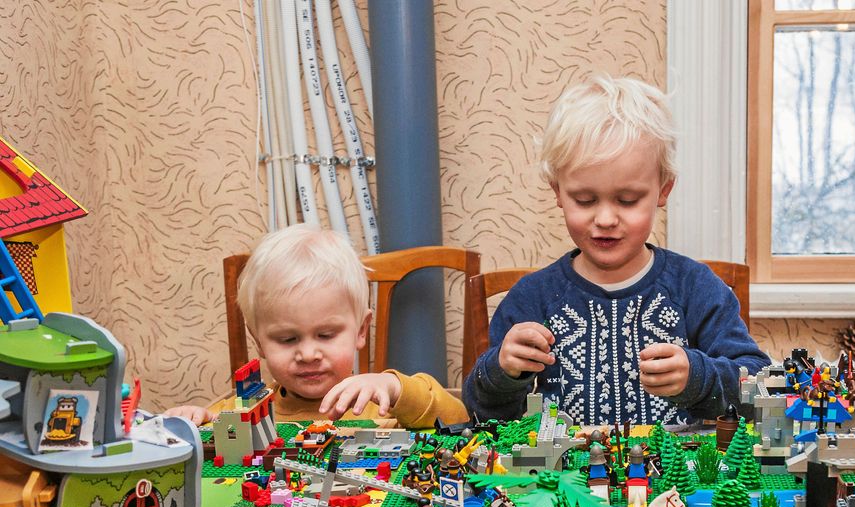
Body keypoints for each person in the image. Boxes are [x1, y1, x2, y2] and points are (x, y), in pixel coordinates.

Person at [462, 75, 769, 426]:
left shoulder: (695, 287)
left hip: (670, 463)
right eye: (584, 199)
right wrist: (502, 372)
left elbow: (759, 388)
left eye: (627, 199)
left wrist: (698, 378)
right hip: (563, 463)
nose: (605, 219)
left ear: (663, 190)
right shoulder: (532, 298)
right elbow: (481, 415)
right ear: (558, 191)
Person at [166, 224, 467, 426]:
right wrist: (193, 420)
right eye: (287, 339)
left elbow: (459, 420)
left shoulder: (384, 404)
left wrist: (395, 387)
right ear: (258, 342)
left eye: (325, 335)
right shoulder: (244, 411)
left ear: (361, 330)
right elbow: (201, 434)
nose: (308, 354)